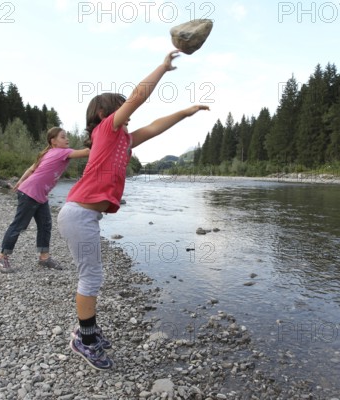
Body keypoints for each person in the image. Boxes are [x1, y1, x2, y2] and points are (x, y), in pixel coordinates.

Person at [57, 49, 210, 370]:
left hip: (85, 215)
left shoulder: (122, 139)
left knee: (92, 275)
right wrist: (163, 67)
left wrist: (184, 113)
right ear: (102, 113)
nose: (128, 109)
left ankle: (88, 331)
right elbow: (140, 97)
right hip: (78, 214)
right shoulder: (106, 131)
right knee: (91, 276)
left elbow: (154, 126)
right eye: (120, 105)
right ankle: (84, 340)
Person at [0, 127, 90, 273]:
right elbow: (87, 152)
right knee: (18, 226)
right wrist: (99, 136)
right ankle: (2, 257)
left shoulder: (48, 153)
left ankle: (44, 258)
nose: (67, 139)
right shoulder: (62, 152)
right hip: (30, 193)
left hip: (38, 194)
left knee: (45, 225)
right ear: (53, 141)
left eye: (67, 136)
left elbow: (31, 169)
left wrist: (20, 182)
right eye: (63, 137)